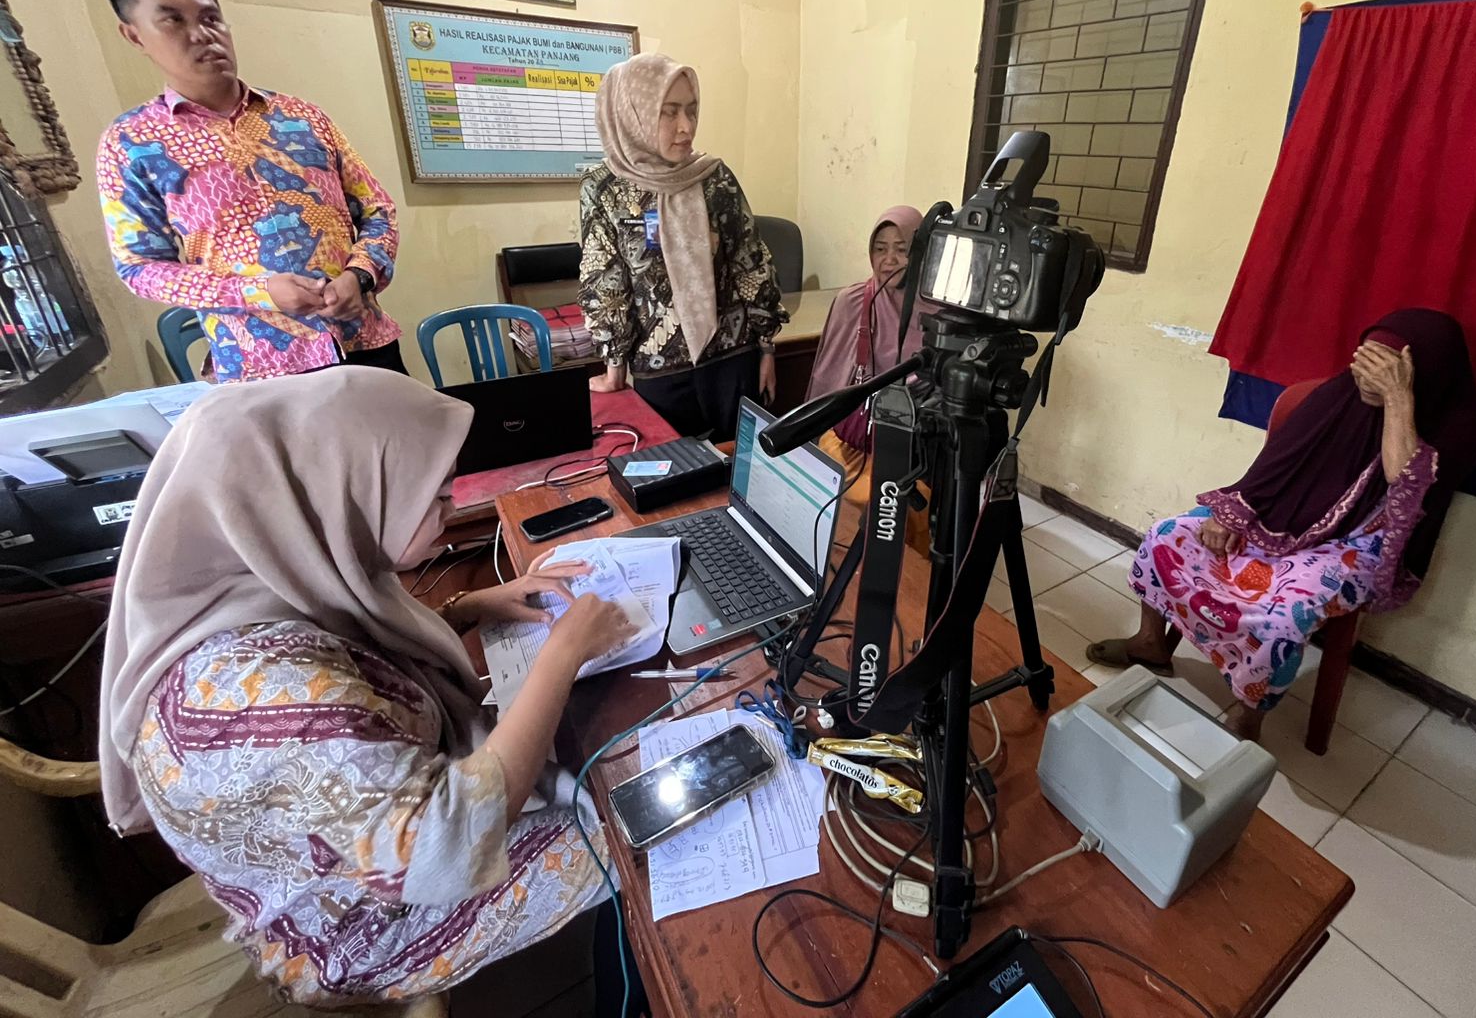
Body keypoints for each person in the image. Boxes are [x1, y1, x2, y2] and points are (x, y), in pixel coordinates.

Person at [98, 367, 642, 1007]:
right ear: (342, 492)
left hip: (347, 856)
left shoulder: (255, 580)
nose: (450, 506)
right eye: (433, 495)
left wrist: (466, 609)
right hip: (351, 925)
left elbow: (347, 672)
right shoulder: (260, 690)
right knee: (635, 829)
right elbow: (447, 846)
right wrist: (563, 654)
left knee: (603, 776)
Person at [1087, 309, 1476, 739]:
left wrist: (1398, 400)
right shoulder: (1340, 393)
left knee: (1282, 616)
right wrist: (1238, 509)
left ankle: (1248, 712)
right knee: (1168, 537)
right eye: (1365, 362)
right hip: (1285, 515)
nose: (1366, 379)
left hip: (1361, 543)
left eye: (1384, 370)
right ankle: (1151, 643)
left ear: (1417, 373)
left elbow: (1403, 482)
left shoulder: (1456, 426)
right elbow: (1279, 462)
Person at [95, 0, 408, 382]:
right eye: (173, 20)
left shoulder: (304, 118)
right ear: (133, 35)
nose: (202, 34)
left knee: (408, 449)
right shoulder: (131, 143)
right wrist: (257, 293)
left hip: (364, 343)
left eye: (210, 17)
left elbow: (378, 211)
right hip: (260, 366)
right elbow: (140, 268)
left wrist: (361, 275)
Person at [578, 53, 788, 441]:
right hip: (660, 373)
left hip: (732, 358)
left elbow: (751, 262)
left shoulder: (713, 177)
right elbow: (605, 281)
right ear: (635, 112)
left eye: (691, 111)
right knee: (672, 485)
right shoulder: (605, 188)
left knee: (735, 472)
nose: (685, 127)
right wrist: (613, 368)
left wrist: (767, 348)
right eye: (668, 112)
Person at [805, 204, 937, 550]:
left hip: (911, 447)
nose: (889, 259)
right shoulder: (852, 301)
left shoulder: (941, 314)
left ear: (921, 253)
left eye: (902, 249)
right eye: (880, 249)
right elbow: (826, 379)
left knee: (910, 508)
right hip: (853, 439)